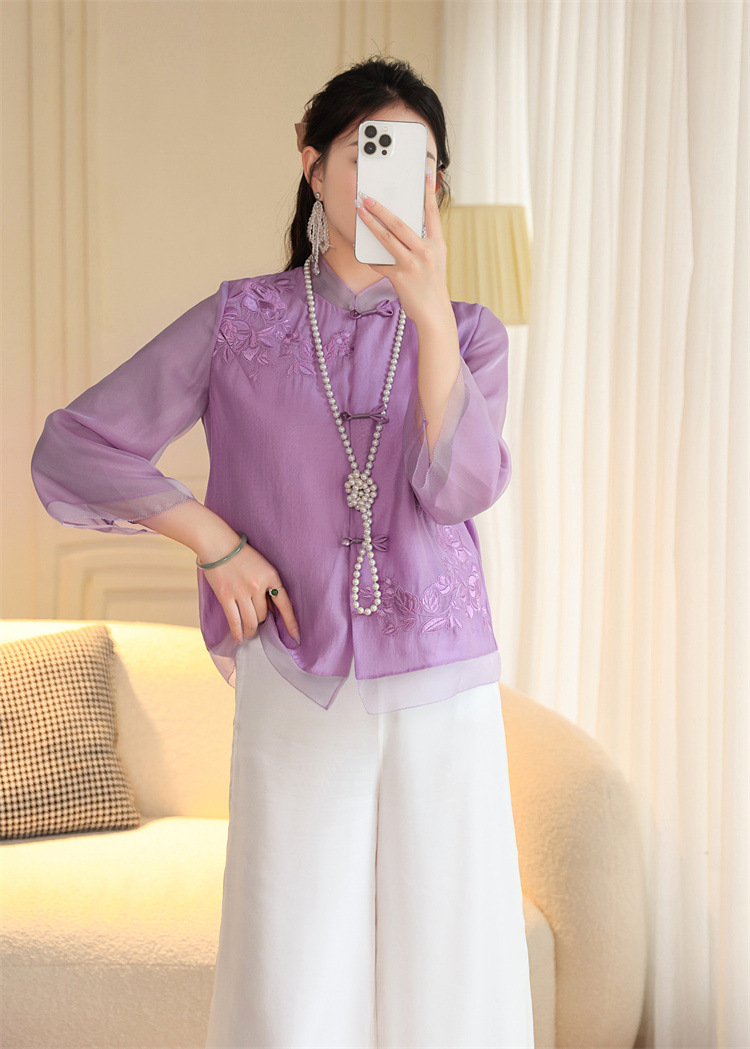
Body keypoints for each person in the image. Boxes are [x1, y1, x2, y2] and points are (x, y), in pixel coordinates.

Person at [30, 55, 534, 1049]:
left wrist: (430, 312)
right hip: (295, 673)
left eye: (420, 165)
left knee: (453, 961)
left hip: (442, 686)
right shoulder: (239, 321)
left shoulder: (469, 333)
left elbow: (461, 490)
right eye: (367, 153)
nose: (394, 181)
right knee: (292, 964)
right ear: (313, 167)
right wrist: (215, 542)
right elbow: (74, 445)